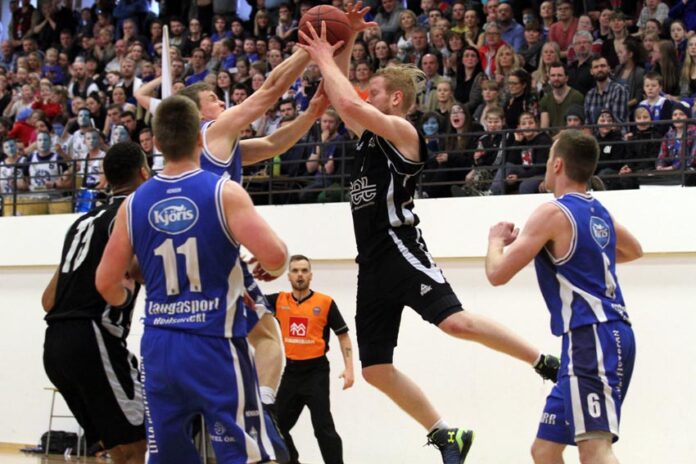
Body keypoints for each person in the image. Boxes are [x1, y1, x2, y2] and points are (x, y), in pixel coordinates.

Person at [298, 21, 560, 464]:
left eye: (374, 93)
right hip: (371, 266)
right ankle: (445, 435)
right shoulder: (366, 137)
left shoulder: (403, 134)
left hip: (401, 250)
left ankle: (543, 362)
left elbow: (347, 100)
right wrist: (343, 40)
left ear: (395, 100)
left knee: (454, 323)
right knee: (375, 369)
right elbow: (342, 98)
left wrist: (324, 54)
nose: (365, 98)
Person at [95, 96, 288, 464]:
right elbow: (276, 256)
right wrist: (273, 269)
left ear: (156, 143)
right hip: (214, 341)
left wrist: (125, 294)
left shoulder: (133, 204)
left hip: (159, 345)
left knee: (169, 457)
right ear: (200, 138)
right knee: (245, 455)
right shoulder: (223, 191)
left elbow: (106, 283)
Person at [486, 129, 642, 464]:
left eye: (548, 159)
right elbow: (634, 250)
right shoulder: (598, 210)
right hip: (597, 336)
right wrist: (587, 255)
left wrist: (496, 241)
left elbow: (497, 274)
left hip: (592, 336)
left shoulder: (552, 213)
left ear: (557, 164)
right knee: (544, 449)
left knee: (595, 448)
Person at [42, 141, 150, 464]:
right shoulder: (131, 214)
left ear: (107, 178)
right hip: (93, 337)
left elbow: (48, 300)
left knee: (118, 447)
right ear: (144, 173)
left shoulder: (79, 224)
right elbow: (137, 272)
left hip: (55, 345)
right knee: (138, 443)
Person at [267, 255, 354, 464]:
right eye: (295, 271)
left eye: (304, 271)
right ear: (288, 276)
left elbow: (343, 335)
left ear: (311, 275)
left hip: (316, 372)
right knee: (275, 426)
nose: (300, 275)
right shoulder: (279, 301)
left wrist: (349, 369)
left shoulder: (325, 302)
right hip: (291, 372)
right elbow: (249, 299)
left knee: (323, 428)